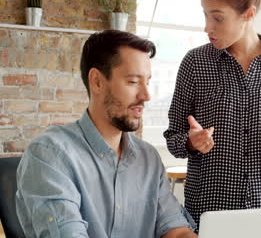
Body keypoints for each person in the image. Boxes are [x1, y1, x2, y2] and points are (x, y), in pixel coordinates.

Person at [16, 30, 197, 238]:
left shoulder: (149, 159)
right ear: (97, 81)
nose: (146, 95)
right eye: (133, 82)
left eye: (147, 81)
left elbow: (175, 229)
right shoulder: (50, 155)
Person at [163, 0, 261, 228]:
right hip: (209, 211)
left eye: (218, 17)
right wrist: (191, 142)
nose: (208, 27)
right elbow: (174, 137)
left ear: (248, 14)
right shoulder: (195, 63)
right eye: (205, 15)